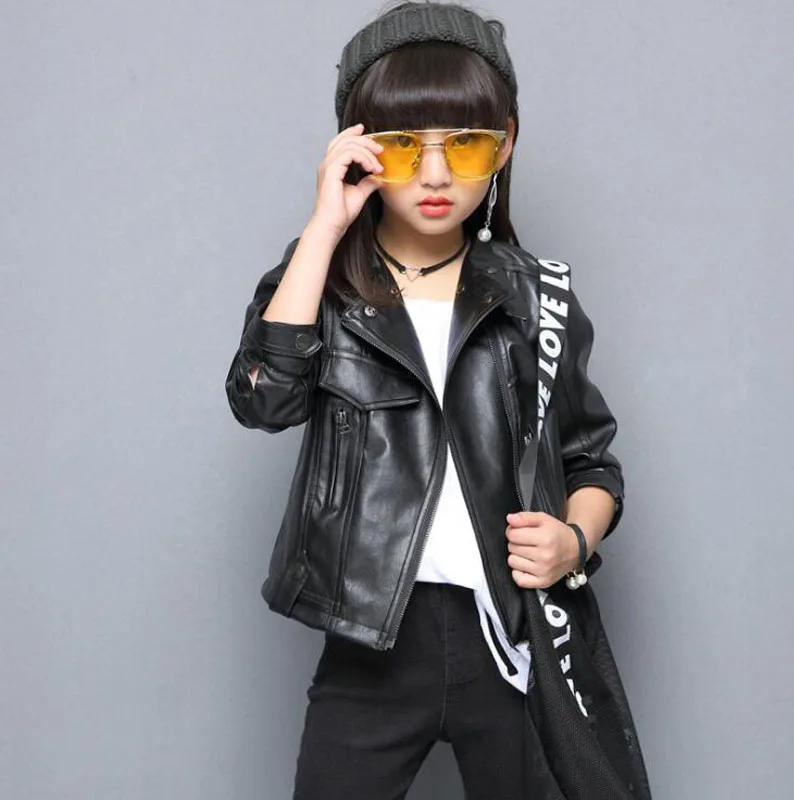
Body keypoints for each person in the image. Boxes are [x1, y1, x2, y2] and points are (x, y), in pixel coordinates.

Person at [225, 2, 650, 798]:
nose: (433, 175)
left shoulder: (537, 299)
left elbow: (593, 465)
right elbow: (264, 401)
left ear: (505, 144)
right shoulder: (320, 282)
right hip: (370, 641)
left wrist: (572, 541)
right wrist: (323, 228)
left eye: (465, 143)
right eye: (401, 145)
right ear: (358, 148)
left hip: (513, 640)